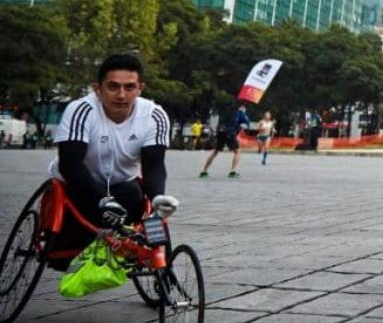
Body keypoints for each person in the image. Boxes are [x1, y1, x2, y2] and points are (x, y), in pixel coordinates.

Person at [49, 53, 177, 268]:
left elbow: (153, 165)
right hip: (77, 183)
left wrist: (157, 198)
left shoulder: (155, 116)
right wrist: (102, 200)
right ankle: (72, 249)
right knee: (77, 218)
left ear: (140, 89)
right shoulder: (81, 110)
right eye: (113, 87)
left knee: (144, 205)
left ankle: (158, 265)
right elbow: (70, 164)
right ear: (97, 89)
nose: (121, 95)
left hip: (122, 185)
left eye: (129, 87)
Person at [199, 103, 251, 178]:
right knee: (237, 151)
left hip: (220, 132)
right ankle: (232, 171)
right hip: (230, 133)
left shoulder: (224, 110)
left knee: (215, 152)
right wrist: (243, 113)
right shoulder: (239, 112)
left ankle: (204, 171)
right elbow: (247, 122)